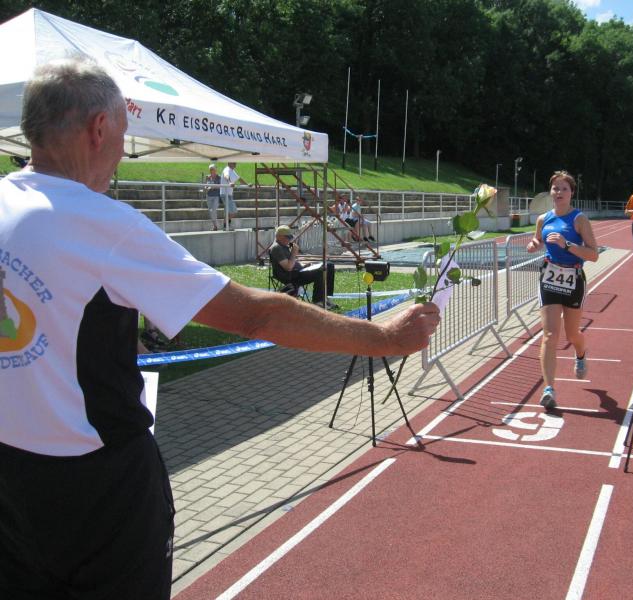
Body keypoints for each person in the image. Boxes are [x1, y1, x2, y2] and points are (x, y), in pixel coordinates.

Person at [0, 58, 440, 600]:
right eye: (122, 134)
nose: (119, 152)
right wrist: (384, 338)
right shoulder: (101, 224)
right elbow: (257, 314)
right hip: (97, 486)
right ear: (99, 128)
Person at [526, 171, 599, 410]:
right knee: (549, 334)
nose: (559, 192)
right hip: (549, 278)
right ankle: (549, 389)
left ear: (571, 193)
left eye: (564, 189)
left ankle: (581, 353)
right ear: (550, 192)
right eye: (555, 188)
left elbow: (594, 255)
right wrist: (534, 244)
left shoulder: (579, 220)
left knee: (572, 334)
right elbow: (538, 240)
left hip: (573, 279)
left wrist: (566, 244)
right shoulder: (543, 219)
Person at [269, 225, 338, 308]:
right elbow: (288, 267)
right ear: (279, 236)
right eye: (287, 237)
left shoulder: (284, 246)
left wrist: (304, 267)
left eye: (290, 237)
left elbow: (291, 263)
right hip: (290, 277)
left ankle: (325, 297)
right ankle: (318, 300)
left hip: (297, 273)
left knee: (329, 265)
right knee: (321, 271)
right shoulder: (276, 248)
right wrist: (294, 252)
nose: (289, 240)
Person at [221, 161, 248, 230]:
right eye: (234, 163)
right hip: (225, 194)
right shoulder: (227, 169)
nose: (235, 164)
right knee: (233, 211)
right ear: (229, 163)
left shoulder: (232, 171)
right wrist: (230, 182)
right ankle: (226, 225)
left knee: (229, 211)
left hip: (229, 194)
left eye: (235, 163)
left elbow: (239, 179)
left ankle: (226, 226)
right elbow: (226, 176)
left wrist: (247, 185)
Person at [204, 163, 222, 231]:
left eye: (212, 169)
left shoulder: (219, 177)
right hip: (208, 195)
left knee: (213, 210)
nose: (211, 170)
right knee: (211, 211)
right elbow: (205, 185)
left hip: (216, 196)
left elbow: (220, 186)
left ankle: (215, 225)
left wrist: (212, 187)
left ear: (215, 170)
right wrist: (206, 188)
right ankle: (215, 226)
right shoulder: (208, 177)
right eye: (210, 169)